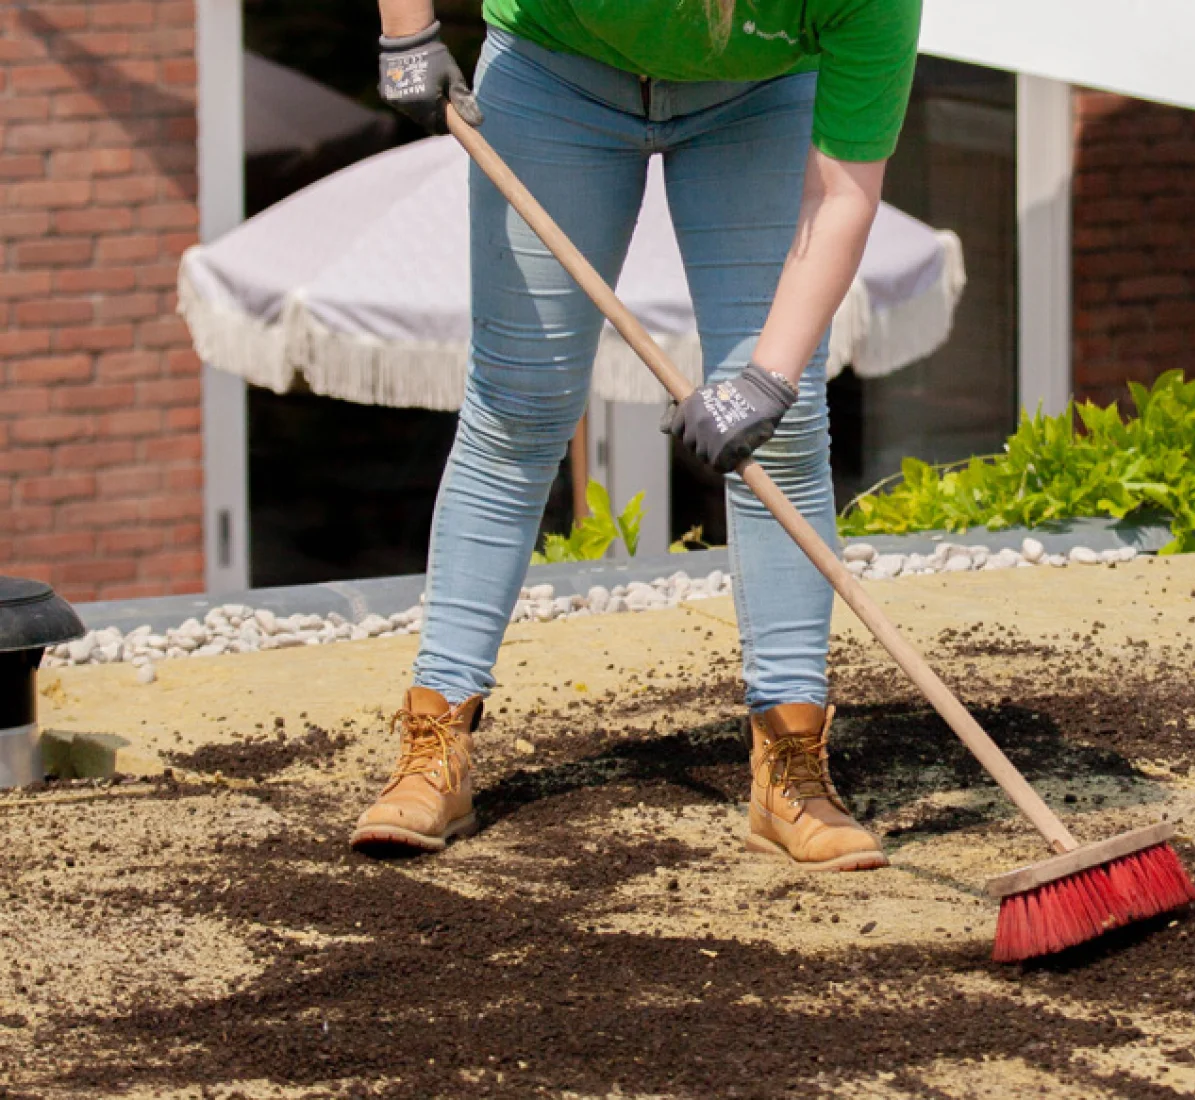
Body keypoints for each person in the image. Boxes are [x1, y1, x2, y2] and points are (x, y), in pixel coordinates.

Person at [352, 0, 921, 870]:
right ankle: (435, 744)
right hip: (555, 71)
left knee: (789, 426)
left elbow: (846, 188)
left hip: (757, 100)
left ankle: (790, 768)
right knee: (518, 408)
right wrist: (407, 30)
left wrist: (765, 380)